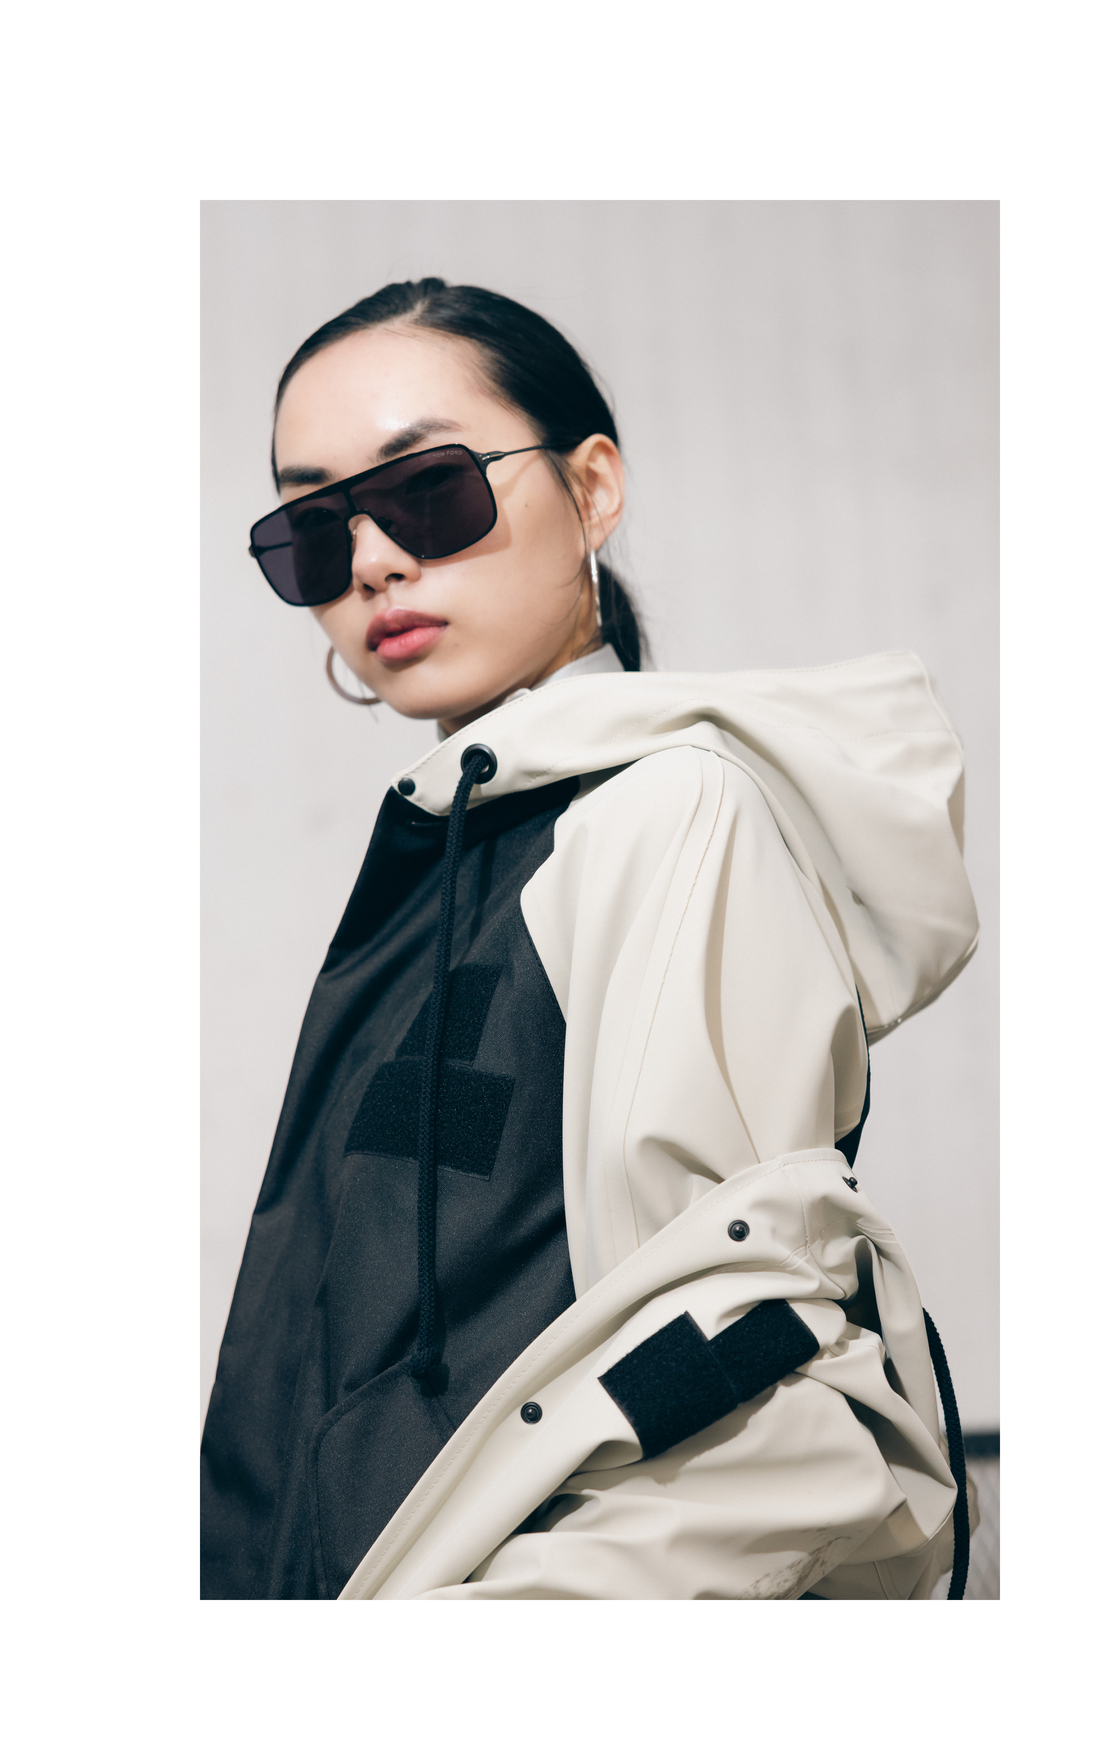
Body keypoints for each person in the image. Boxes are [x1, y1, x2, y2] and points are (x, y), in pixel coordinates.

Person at [200, 278, 980, 1601]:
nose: (373, 560)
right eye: (315, 529)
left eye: (429, 490)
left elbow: (738, 1357)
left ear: (593, 490)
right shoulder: (470, 843)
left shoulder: (662, 815)